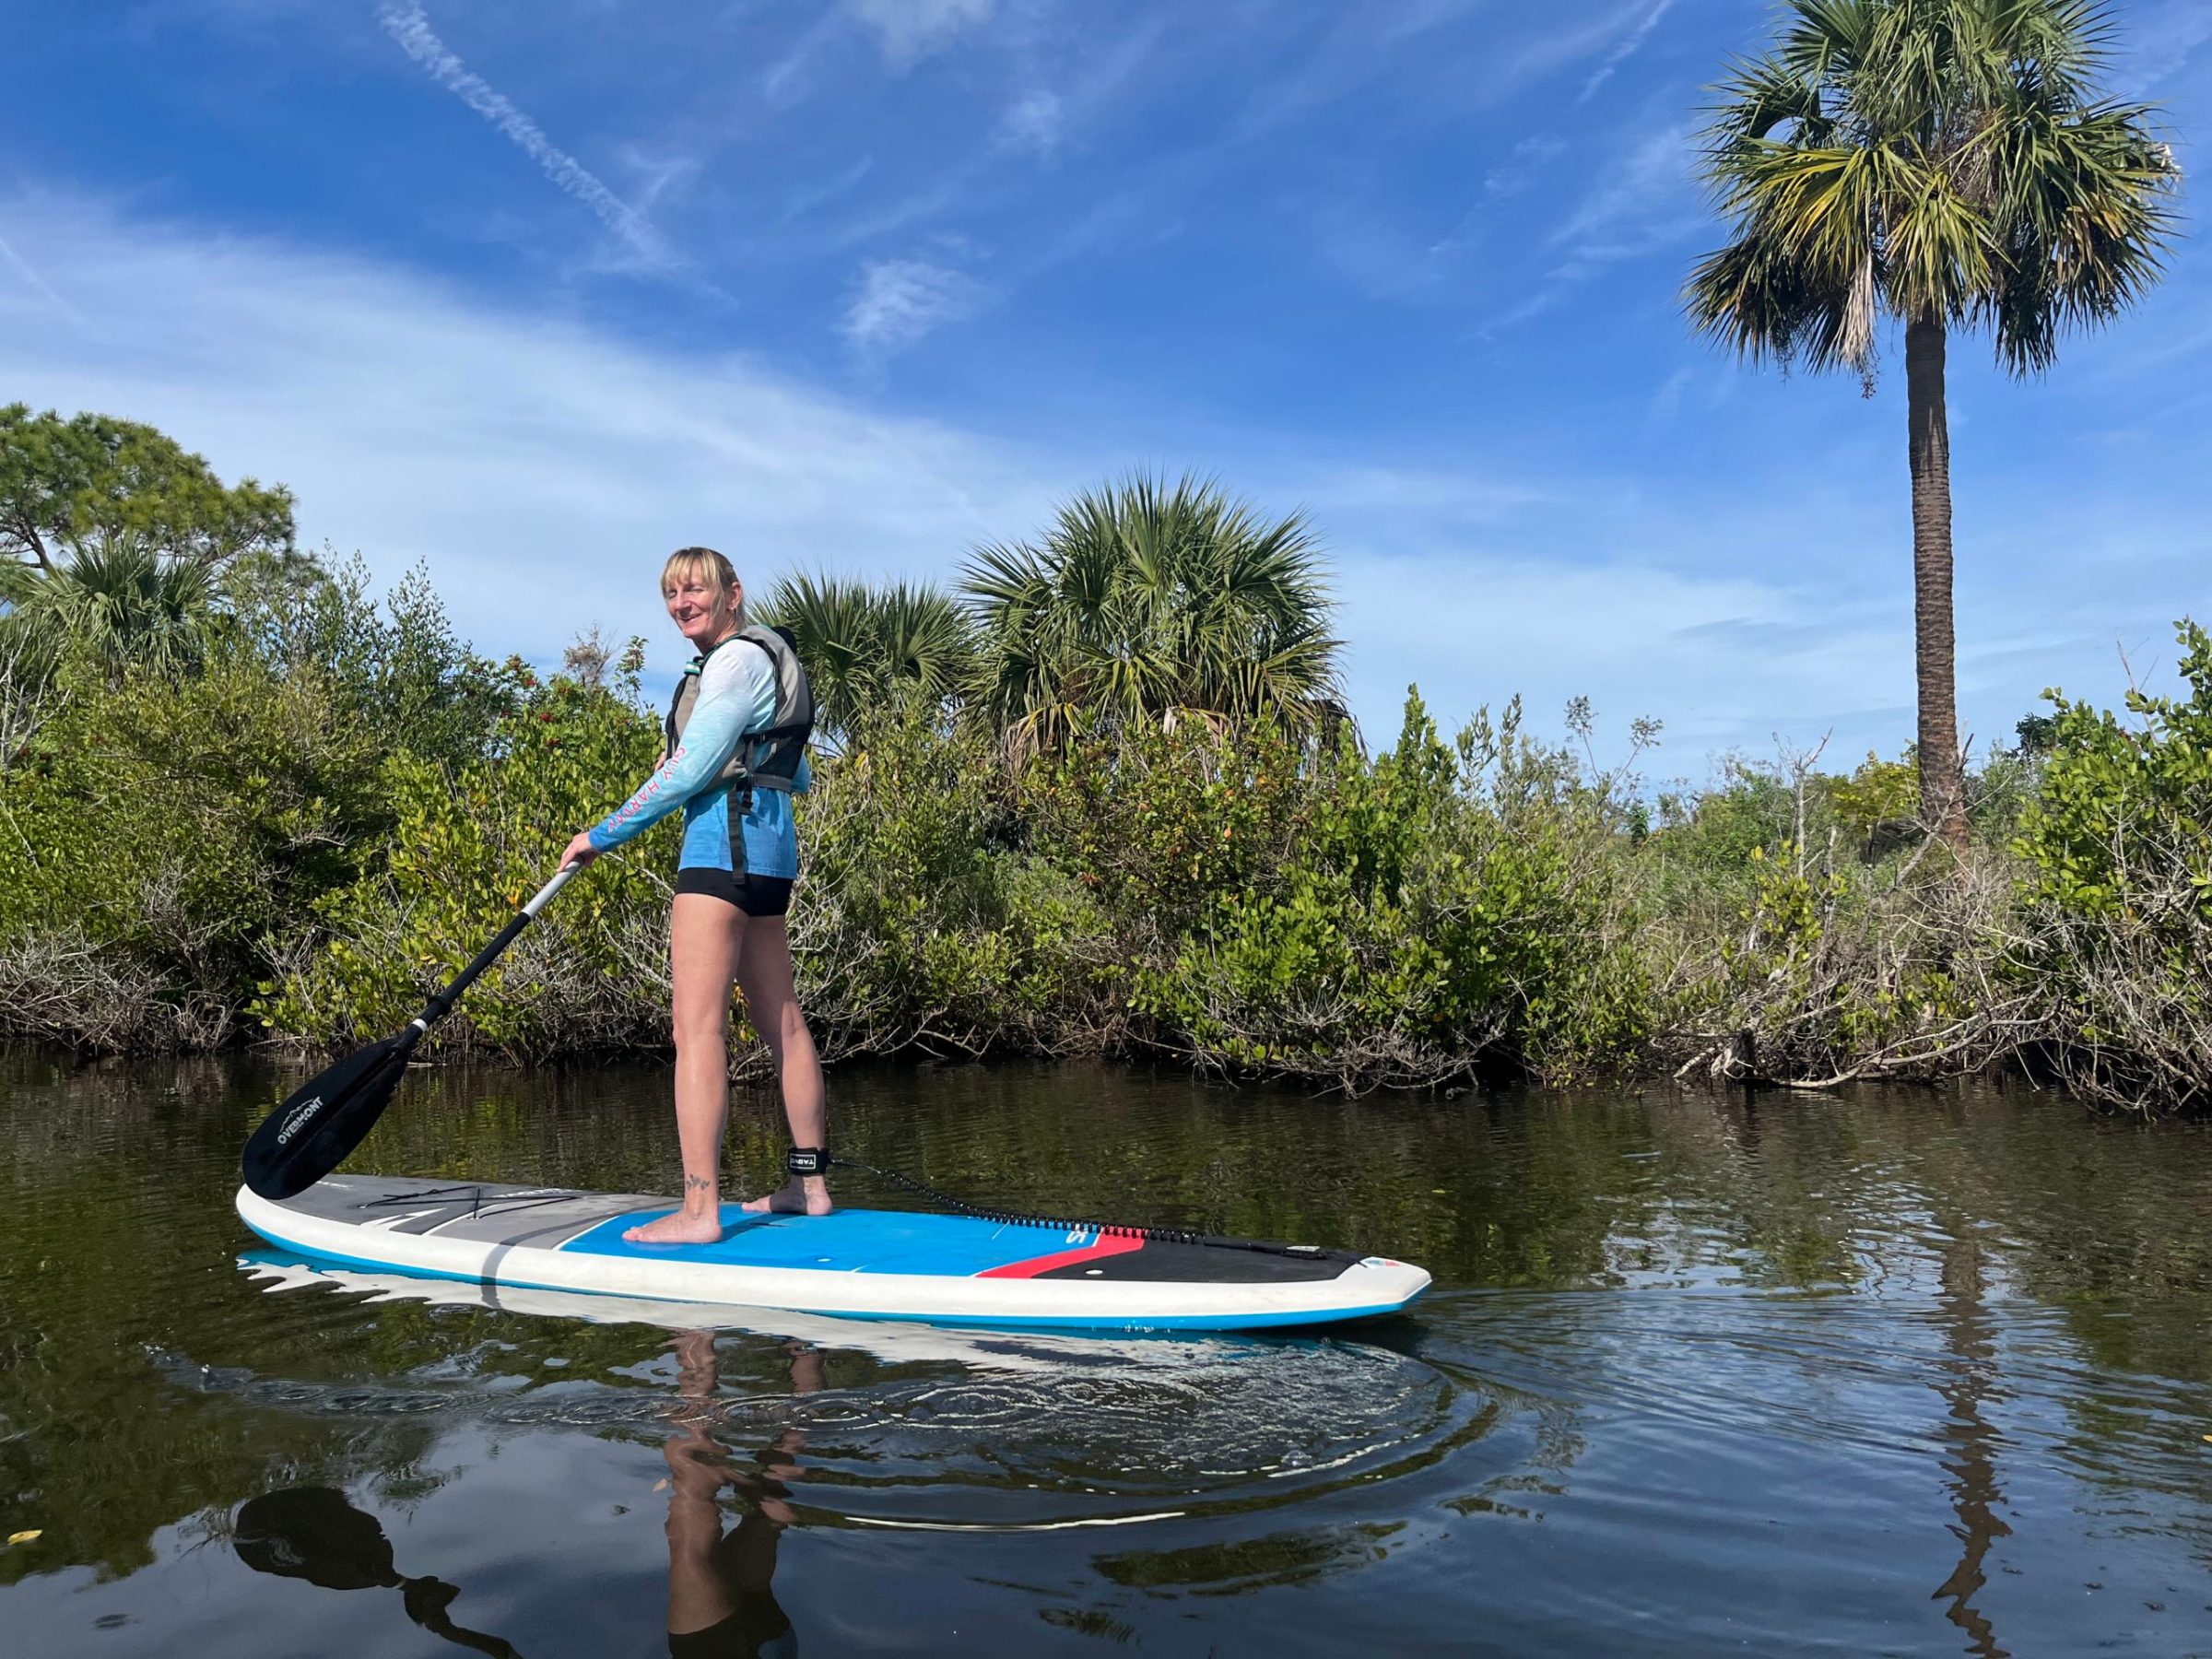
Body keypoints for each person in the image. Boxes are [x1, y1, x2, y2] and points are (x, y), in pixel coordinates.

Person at [561, 547, 830, 1244]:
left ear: (732, 593)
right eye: (672, 594)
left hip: (721, 853)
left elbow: (689, 775)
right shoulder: (768, 663)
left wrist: (602, 834)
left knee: (696, 1029)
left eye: (696, 590)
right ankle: (809, 1186)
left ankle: (699, 1211)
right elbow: (794, 776)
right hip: (770, 857)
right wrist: (711, 756)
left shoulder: (734, 662)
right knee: (784, 1023)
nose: (682, 603)